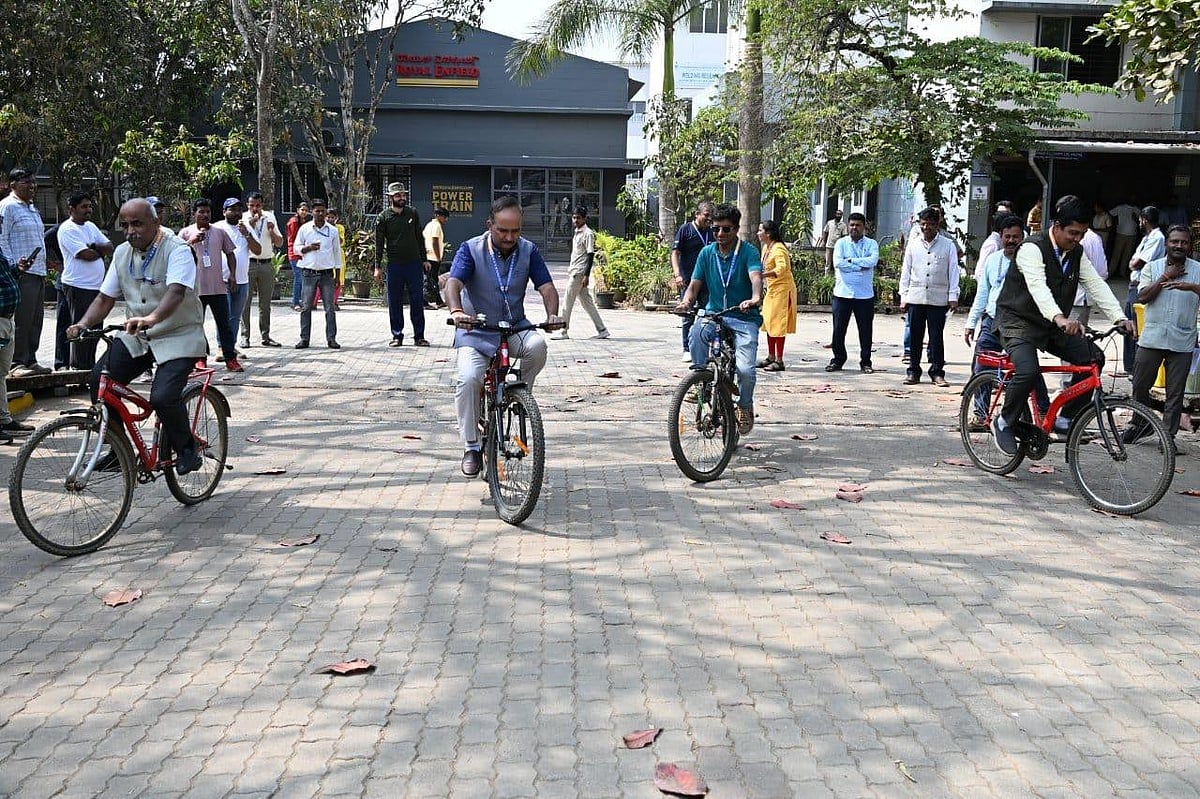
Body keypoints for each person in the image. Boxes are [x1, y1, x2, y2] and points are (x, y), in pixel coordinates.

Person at [66, 199, 208, 475]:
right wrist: (82, 323)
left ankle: (187, 447)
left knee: (163, 396)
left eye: (137, 224)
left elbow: (176, 292)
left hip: (178, 335)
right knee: (99, 382)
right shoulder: (121, 253)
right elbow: (105, 298)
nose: (130, 231)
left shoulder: (177, 250)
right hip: (137, 336)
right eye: (126, 225)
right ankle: (119, 450)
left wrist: (151, 319)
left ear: (156, 223)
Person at [992, 195, 1133, 456]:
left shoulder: (1076, 253)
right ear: (1056, 226)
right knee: (1028, 371)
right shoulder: (1031, 248)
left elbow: (1095, 284)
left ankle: (1065, 418)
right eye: (1073, 233)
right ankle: (1004, 421)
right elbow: (1038, 287)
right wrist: (1059, 318)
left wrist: (1119, 317)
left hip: (1051, 325)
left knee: (1093, 358)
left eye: (1082, 233)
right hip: (1018, 323)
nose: (1077, 239)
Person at [445, 195, 563, 477]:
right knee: (469, 378)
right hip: (476, 331)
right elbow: (454, 282)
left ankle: (521, 396)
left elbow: (546, 287)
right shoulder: (471, 249)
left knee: (537, 346)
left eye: (516, 231)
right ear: (490, 225)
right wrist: (457, 310)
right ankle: (471, 446)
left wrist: (552, 315)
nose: (510, 237)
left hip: (513, 328)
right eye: (503, 230)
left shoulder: (528, 250)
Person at [676, 203, 763, 435]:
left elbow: (755, 277)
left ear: (736, 229)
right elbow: (694, 285)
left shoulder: (748, 252)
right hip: (714, 314)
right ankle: (702, 381)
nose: (720, 235)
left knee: (745, 370)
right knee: (696, 332)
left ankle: (744, 405)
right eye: (716, 230)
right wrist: (686, 302)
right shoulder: (707, 253)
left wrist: (754, 298)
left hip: (743, 317)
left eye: (726, 230)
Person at [964, 214, 1050, 426]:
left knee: (1030, 369)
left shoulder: (1034, 262)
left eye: (1016, 237)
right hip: (992, 321)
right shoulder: (993, 261)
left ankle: (1045, 414)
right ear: (1000, 237)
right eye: (1007, 237)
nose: (1012, 241)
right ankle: (981, 414)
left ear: (1024, 237)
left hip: (1021, 326)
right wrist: (970, 322)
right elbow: (982, 295)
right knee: (981, 365)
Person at [1131, 225, 1200, 454]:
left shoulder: (1198, 270)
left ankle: (1167, 437)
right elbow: (1142, 296)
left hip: (1182, 340)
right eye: (1175, 242)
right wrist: (1165, 277)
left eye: (1184, 242)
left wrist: (1192, 287)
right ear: (1166, 244)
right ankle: (1140, 424)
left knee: (1175, 393)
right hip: (1152, 338)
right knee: (1140, 385)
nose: (1179, 246)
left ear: (1189, 245)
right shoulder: (1153, 267)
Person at [178, 199, 241, 371]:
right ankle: (200, 358)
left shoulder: (219, 232)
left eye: (208, 212)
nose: (205, 215)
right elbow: (176, 256)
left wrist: (233, 276)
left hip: (218, 288)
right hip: (195, 289)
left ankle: (230, 358)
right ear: (194, 214)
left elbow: (230, 255)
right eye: (201, 212)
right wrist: (191, 241)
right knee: (196, 325)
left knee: (224, 325)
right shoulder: (185, 233)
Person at [900, 207, 960, 386]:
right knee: (915, 336)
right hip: (916, 297)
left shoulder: (947, 245)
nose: (926, 228)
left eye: (931, 224)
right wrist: (904, 296)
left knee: (936, 337)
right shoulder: (913, 244)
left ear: (937, 225)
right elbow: (906, 271)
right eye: (923, 224)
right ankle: (913, 371)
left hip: (938, 298)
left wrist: (953, 295)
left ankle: (937, 372)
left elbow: (953, 271)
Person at [56, 192, 115, 370]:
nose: (88, 210)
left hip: (96, 287)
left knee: (95, 329)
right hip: (78, 285)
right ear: (71, 209)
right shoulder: (67, 229)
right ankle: (78, 369)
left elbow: (110, 247)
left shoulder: (90, 226)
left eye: (90, 206)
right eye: (84, 207)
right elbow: (85, 255)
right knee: (80, 329)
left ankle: (88, 367)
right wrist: (97, 250)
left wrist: (94, 248)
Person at [0, 168, 50, 375]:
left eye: (34, 182)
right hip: (20, 272)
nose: (32, 186)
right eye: (27, 182)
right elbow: (1, 238)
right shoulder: (7, 207)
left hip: (37, 271)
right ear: (13, 185)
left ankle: (31, 360)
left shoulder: (32, 208)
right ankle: (16, 363)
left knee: (35, 319)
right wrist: (12, 266)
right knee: (21, 319)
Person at [375, 182, 427, 347]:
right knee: (395, 301)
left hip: (414, 264)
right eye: (398, 195)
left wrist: (424, 259)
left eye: (403, 195)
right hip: (395, 265)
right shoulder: (383, 217)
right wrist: (377, 267)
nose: (401, 198)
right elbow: (378, 243)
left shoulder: (412, 213)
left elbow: (419, 237)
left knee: (417, 300)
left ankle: (419, 336)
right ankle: (397, 335)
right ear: (390, 197)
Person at [826, 212, 878, 374]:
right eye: (852, 225)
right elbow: (838, 264)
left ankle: (866, 361)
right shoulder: (841, 243)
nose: (854, 228)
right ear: (848, 226)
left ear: (864, 227)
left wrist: (851, 261)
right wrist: (860, 265)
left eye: (858, 225)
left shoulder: (871, 244)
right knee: (838, 329)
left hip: (864, 295)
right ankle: (838, 359)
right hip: (842, 294)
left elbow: (872, 262)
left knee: (865, 330)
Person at [293, 198, 342, 350]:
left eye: (322, 211)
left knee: (329, 308)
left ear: (326, 212)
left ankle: (331, 339)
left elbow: (336, 253)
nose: (320, 213)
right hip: (308, 273)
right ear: (311, 212)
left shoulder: (332, 231)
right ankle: (304, 339)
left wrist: (338, 275)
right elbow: (295, 248)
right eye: (317, 211)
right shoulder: (305, 229)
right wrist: (308, 248)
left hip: (327, 274)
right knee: (306, 307)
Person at [240, 191, 284, 348]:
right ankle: (245, 337)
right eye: (252, 205)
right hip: (248, 263)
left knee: (265, 304)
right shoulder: (243, 218)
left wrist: (271, 231)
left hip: (266, 263)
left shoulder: (270, 217)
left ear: (262, 205)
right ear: (248, 205)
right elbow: (241, 239)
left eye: (258, 205)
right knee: (245, 302)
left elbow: (279, 243)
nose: (255, 209)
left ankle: (265, 336)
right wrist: (252, 222)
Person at [558, 206, 609, 341]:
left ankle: (563, 331)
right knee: (587, 303)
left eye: (578, 218)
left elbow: (590, 255)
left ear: (585, 218)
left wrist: (586, 275)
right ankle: (602, 330)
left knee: (567, 301)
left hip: (579, 273)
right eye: (574, 217)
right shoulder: (576, 232)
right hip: (575, 270)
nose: (575, 220)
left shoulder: (588, 233)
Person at [671, 201, 714, 357]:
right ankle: (687, 349)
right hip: (688, 280)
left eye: (711, 216)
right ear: (697, 214)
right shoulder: (686, 230)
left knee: (707, 314)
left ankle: (704, 349)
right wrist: (678, 274)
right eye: (706, 215)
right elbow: (675, 253)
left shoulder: (712, 232)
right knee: (687, 315)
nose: (709, 219)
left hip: (707, 281)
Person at [755, 219, 796, 372]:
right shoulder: (767, 247)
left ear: (768, 233)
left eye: (760, 230)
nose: (758, 233)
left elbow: (782, 268)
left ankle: (779, 360)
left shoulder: (779, 248)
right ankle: (771, 356)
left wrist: (763, 275)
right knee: (769, 322)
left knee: (778, 324)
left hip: (783, 290)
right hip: (772, 289)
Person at [0, 248, 29, 441]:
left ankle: (3, 419)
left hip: (7, 319)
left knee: (1, 373)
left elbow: (4, 277)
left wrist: (17, 270)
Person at [423, 206, 450, 309]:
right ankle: (424, 302)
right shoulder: (437, 226)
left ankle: (438, 301)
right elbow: (435, 241)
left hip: (427, 256)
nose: (446, 219)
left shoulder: (429, 225)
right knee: (430, 280)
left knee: (432, 279)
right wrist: (438, 257)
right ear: (438, 216)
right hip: (433, 258)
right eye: (445, 217)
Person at [1108, 199, 1142, 281]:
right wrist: (1116, 224)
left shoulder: (1136, 210)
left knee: (1127, 255)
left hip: (1132, 234)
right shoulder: (1120, 207)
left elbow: (1141, 221)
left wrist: (1135, 219)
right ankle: (1109, 273)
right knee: (1116, 254)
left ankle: (1122, 272)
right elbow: (1110, 214)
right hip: (1121, 233)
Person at [286, 201, 310, 311]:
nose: (304, 212)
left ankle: (299, 301)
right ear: (297, 210)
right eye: (302, 210)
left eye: (306, 210)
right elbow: (293, 239)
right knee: (298, 278)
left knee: (302, 278)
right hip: (294, 252)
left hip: (302, 252)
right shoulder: (294, 222)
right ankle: (295, 302)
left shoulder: (303, 221)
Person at [816, 210, 847, 275]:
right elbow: (825, 232)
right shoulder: (830, 223)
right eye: (838, 214)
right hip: (829, 245)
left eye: (840, 214)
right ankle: (826, 276)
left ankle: (837, 276)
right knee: (828, 262)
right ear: (835, 214)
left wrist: (843, 246)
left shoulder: (843, 225)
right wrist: (823, 242)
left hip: (838, 246)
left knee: (837, 261)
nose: (839, 216)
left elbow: (844, 236)